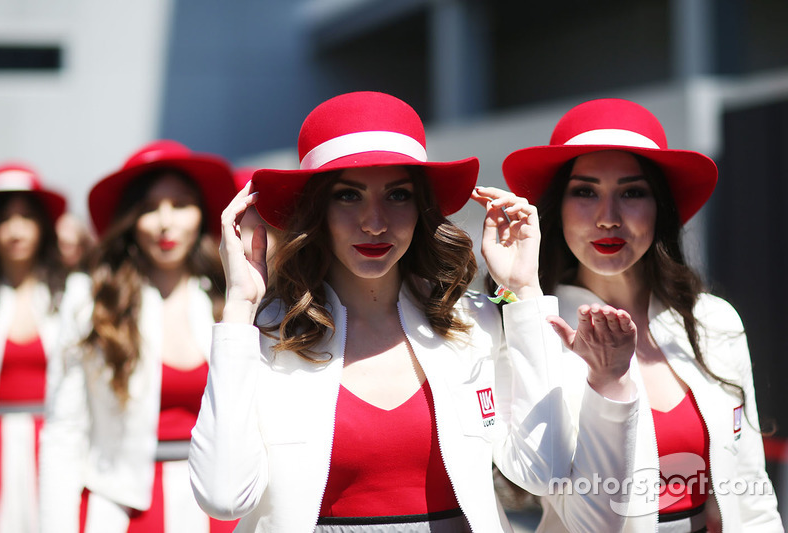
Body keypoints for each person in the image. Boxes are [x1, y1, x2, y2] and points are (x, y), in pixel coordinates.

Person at [189, 91, 640, 532]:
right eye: (348, 196)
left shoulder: (475, 322)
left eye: (398, 195)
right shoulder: (266, 334)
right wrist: (240, 307)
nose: (375, 222)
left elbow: (542, 470)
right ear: (318, 210)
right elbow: (224, 498)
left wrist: (523, 289)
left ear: (420, 207)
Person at [502, 97, 784, 532]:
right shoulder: (530, 331)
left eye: (632, 192)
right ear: (555, 208)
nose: (608, 218)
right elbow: (542, 478)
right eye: (585, 191)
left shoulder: (714, 321)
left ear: (661, 208)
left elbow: (751, 494)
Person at [39, 140, 238, 532]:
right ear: (130, 219)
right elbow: (64, 431)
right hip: (122, 509)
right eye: (149, 208)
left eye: (181, 204)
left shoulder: (229, 298)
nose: (166, 221)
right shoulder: (92, 301)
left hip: (219, 510)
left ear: (201, 214)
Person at [0, 161, 68, 533]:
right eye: (5, 219)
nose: (16, 229)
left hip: (56, 443)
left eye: (26, 216)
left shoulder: (69, 294)